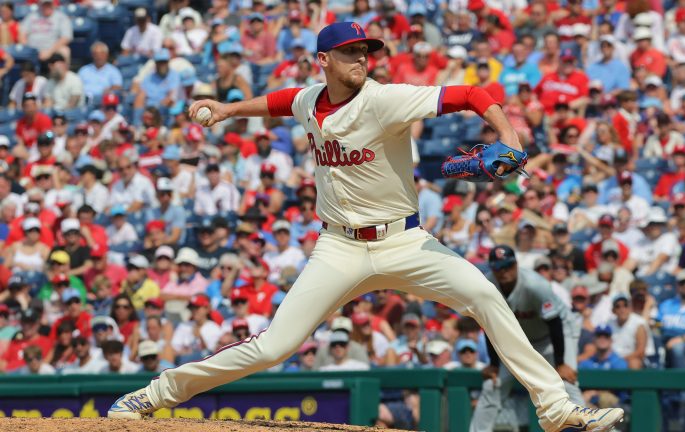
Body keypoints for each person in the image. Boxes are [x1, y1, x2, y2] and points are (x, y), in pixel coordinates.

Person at [109, 22, 623, 431]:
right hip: (339, 248)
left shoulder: (383, 99)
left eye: (366, 52)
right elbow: (282, 101)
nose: (362, 60)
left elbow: (470, 93)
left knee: (486, 297)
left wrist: (509, 135)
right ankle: (155, 393)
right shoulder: (313, 98)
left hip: (405, 242)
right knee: (272, 347)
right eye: (351, 52)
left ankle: (555, 407)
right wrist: (226, 110)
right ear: (324, 60)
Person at [470, 246, 584, 432]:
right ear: (492, 268)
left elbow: (554, 323)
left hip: (555, 335)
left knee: (567, 382)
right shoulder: (487, 286)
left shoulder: (535, 284)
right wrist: (494, 363)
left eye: (507, 266)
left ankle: (585, 428)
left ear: (515, 264)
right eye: (498, 268)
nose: (503, 271)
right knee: (493, 385)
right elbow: (490, 325)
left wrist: (561, 363)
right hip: (520, 341)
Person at [607, 294, 651, 369]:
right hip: (612, 358)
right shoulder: (608, 324)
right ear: (613, 310)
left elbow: (641, 352)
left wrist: (619, 360)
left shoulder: (639, 324)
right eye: (618, 306)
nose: (622, 309)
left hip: (631, 359)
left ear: (630, 308)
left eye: (625, 305)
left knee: (634, 364)